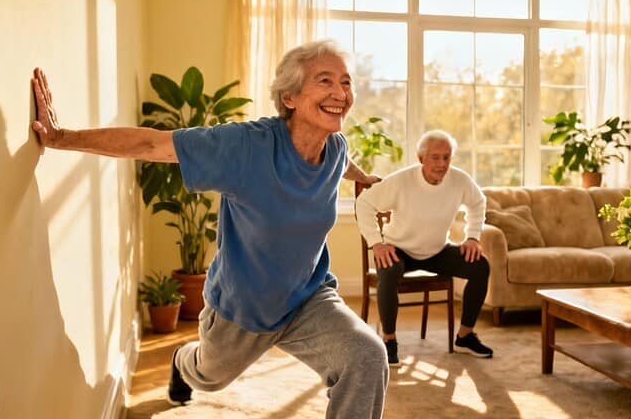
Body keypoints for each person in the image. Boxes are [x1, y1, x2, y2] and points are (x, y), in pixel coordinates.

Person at [31, 40, 389, 418]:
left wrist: (363, 177)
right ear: (290, 98)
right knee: (208, 376)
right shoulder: (245, 147)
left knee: (367, 356)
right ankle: (182, 362)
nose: (340, 93)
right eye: (325, 81)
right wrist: (60, 137)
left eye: (346, 83)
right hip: (243, 309)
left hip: (308, 298)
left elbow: (344, 162)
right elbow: (152, 144)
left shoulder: (334, 147)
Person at [355, 130, 493, 366]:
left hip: (436, 251)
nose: (442, 164)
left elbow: (478, 202)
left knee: (480, 266)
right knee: (388, 270)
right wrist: (377, 244)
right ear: (421, 158)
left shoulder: (459, 180)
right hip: (399, 249)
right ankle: (389, 341)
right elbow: (364, 203)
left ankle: (465, 336)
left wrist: (473, 237)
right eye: (435, 158)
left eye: (446, 158)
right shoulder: (402, 181)